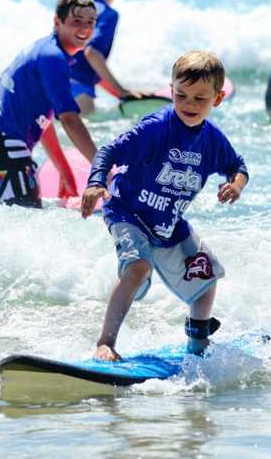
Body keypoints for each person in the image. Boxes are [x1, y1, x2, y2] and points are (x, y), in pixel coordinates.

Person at [81, 51, 249, 361]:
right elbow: (108, 151)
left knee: (206, 281)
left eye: (200, 99)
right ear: (171, 91)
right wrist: (95, 183)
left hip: (168, 223)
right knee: (138, 266)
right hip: (127, 211)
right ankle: (105, 343)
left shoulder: (212, 140)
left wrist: (235, 185)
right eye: (181, 95)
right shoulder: (156, 127)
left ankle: (198, 346)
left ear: (218, 98)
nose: (189, 104)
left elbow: (237, 165)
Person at [0, 0, 99, 207]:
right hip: (1, 146)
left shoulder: (42, 50)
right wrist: (101, 169)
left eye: (90, 22)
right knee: (31, 227)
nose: (85, 28)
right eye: (76, 21)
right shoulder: (54, 57)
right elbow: (70, 120)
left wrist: (63, 169)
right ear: (57, 22)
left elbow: (43, 121)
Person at [70, 0, 140, 116]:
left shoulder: (75, 9)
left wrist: (119, 93)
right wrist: (121, 91)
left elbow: (87, 61)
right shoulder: (109, 15)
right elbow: (92, 54)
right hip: (77, 88)